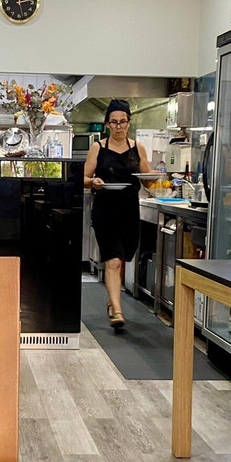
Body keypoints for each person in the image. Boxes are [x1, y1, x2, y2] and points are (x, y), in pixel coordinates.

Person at [84, 99, 153, 328]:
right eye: (114, 122)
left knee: (122, 258)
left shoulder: (138, 148)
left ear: (129, 123)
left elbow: (147, 181)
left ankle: (111, 300)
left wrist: (156, 178)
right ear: (107, 124)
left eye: (123, 121)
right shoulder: (99, 148)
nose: (118, 126)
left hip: (130, 210)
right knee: (112, 260)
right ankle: (117, 310)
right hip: (105, 209)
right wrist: (92, 182)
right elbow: (83, 178)